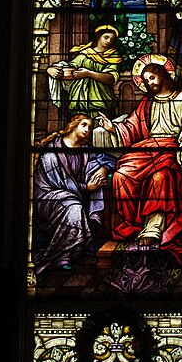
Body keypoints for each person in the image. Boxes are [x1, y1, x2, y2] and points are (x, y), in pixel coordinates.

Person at [97, 56, 182, 267]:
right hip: (146, 149)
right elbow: (132, 126)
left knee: (160, 177)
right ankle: (134, 223)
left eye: (152, 78)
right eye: (145, 80)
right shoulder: (147, 102)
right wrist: (113, 128)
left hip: (172, 149)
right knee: (121, 175)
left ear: (163, 75)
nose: (149, 83)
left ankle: (154, 227)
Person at [32, 114, 116, 275]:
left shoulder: (85, 151)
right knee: (73, 208)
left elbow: (110, 159)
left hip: (71, 196)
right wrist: (87, 187)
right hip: (47, 197)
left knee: (74, 204)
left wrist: (103, 168)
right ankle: (61, 256)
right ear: (72, 126)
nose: (87, 130)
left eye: (90, 127)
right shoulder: (52, 151)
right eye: (84, 125)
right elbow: (59, 183)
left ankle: (69, 254)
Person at [47, 24, 122, 122]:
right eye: (106, 37)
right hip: (78, 100)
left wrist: (88, 73)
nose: (108, 41)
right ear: (98, 37)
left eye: (112, 39)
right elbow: (69, 69)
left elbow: (111, 78)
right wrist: (50, 70)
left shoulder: (113, 56)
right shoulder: (85, 54)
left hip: (101, 100)